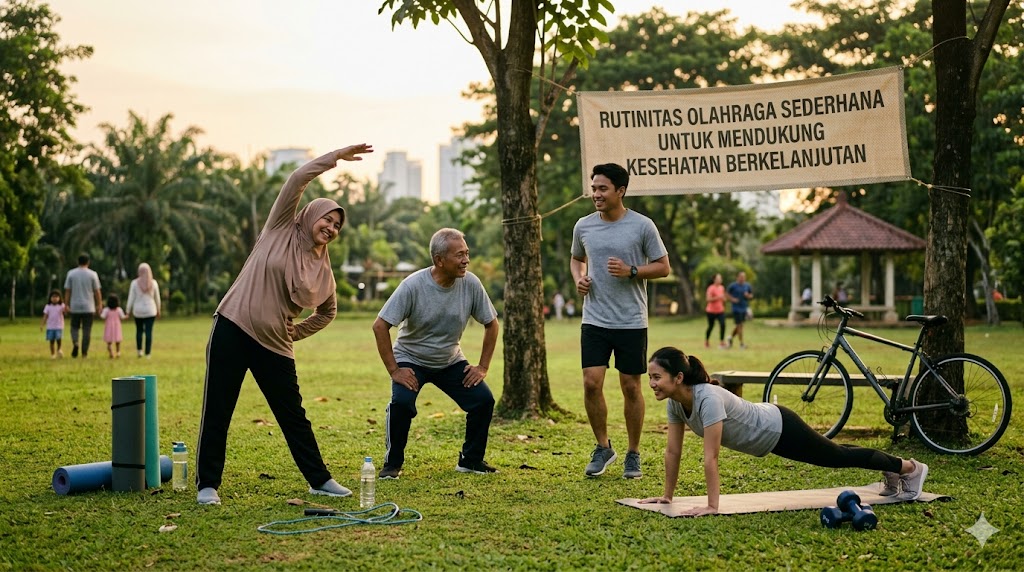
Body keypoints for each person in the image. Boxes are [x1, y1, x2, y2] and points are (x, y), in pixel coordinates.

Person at [195, 143, 373, 506]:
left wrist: (298, 330)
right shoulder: (280, 228)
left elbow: (327, 311)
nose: (331, 227)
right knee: (218, 408)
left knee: (293, 415)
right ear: (312, 216)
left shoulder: (322, 268)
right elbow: (297, 179)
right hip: (232, 326)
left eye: (337, 225)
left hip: (275, 344)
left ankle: (319, 480)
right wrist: (335, 158)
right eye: (327, 219)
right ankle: (207, 485)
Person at [639, 346, 929, 515]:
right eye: (650, 377)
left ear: (678, 377)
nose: (651, 383)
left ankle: (909, 468)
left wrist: (712, 506)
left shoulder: (708, 399)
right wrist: (667, 496)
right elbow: (672, 451)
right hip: (770, 436)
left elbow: (711, 457)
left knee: (837, 456)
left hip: (778, 426)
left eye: (656, 377)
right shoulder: (676, 403)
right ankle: (894, 469)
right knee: (836, 453)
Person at [372, 228, 500, 480]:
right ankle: (392, 464)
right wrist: (395, 370)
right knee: (402, 404)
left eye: (467, 253)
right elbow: (380, 326)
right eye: (459, 255)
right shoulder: (412, 286)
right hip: (411, 358)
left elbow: (492, 323)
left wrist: (482, 367)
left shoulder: (471, 283)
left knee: (483, 401)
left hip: (449, 360)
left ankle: (471, 460)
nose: (466, 260)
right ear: (439, 260)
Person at [570, 162, 670, 479]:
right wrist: (579, 278)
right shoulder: (583, 226)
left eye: (603, 189)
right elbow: (576, 258)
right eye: (594, 188)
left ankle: (633, 453)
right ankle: (603, 447)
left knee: (630, 386)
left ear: (620, 191)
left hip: (630, 320)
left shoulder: (642, 226)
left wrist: (632, 271)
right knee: (590, 383)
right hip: (595, 319)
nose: (596, 194)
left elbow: (663, 266)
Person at [63, 253, 102, 358]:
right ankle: (84, 353)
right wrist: (99, 304)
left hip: (75, 306)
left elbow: (68, 291)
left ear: (78, 262)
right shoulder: (93, 274)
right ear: (88, 262)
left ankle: (76, 343)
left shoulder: (71, 274)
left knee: (74, 327)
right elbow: (97, 291)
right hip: (89, 306)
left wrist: (66, 304)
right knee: (87, 329)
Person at [126, 262, 161, 358]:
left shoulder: (134, 283)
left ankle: (139, 351)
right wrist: (158, 309)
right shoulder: (153, 283)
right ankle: (148, 353)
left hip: (138, 311)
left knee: (139, 331)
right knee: (149, 332)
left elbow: (131, 298)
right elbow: (157, 298)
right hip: (150, 310)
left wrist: (128, 310)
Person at [726, 271, 753, 349]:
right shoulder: (733, 286)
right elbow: (727, 294)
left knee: (739, 326)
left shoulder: (747, 286)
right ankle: (741, 344)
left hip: (744, 308)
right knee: (740, 325)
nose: (742, 278)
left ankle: (730, 337)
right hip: (736, 309)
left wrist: (748, 296)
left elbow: (751, 295)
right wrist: (732, 299)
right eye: (741, 277)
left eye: (744, 277)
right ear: (737, 277)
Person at [41, 290, 66, 359]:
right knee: (51, 341)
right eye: (53, 297)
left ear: (59, 298)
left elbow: (66, 311)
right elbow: (45, 316)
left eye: (56, 297)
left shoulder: (61, 306)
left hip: (59, 326)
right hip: (50, 327)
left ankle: (59, 350)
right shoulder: (48, 306)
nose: (55, 298)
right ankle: (52, 354)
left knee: (59, 339)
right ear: (50, 298)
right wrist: (42, 324)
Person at [100, 294, 127, 358]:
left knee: (109, 342)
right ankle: (118, 352)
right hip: (117, 326)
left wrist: (99, 312)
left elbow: (102, 317)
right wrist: (127, 316)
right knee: (118, 341)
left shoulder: (106, 310)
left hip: (108, 327)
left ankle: (111, 352)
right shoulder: (119, 309)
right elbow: (123, 317)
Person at [704, 273, 726, 349]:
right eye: (718, 278)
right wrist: (718, 297)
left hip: (720, 310)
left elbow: (723, 298)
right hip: (711, 311)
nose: (720, 280)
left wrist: (723, 299)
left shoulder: (722, 288)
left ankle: (722, 342)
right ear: (714, 280)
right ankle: (707, 341)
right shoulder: (711, 288)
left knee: (723, 324)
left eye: (720, 278)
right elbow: (708, 299)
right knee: (711, 326)